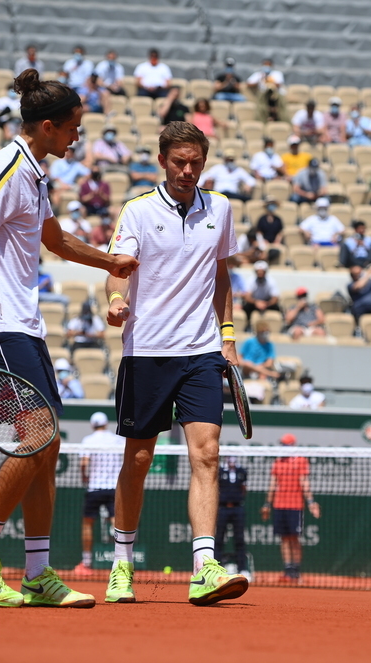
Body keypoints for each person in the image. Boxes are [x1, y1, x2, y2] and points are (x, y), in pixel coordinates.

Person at [0, 71, 138, 609]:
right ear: (47, 126)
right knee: (38, 437)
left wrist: (111, 261)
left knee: (48, 448)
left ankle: (37, 574)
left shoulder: (33, 173)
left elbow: (55, 240)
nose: (77, 137)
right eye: (73, 128)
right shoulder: (5, 166)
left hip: (24, 324)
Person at [103, 120, 248, 606]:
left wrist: (228, 336)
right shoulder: (138, 210)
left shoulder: (221, 207)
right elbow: (118, 270)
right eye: (180, 162)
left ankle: (204, 567)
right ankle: (122, 564)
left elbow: (220, 275)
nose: (188, 170)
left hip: (201, 351)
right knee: (139, 460)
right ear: (163, 160)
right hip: (147, 351)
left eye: (196, 163)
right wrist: (117, 300)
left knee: (207, 454)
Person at [261, 433, 320, 582]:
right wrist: (267, 504)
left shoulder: (301, 461)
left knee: (294, 539)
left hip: (295, 506)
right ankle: (287, 570)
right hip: (279, 505)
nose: (282, 447)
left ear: (292, 446)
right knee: (284, 539)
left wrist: (311, 502)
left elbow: (304, 483)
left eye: (285, 444)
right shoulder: (278, 462)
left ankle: (296, 571)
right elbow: (272, 484)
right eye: (282, 444)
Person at [74, 412, 125, 574]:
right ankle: (122, 561)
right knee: (117, 523)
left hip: (94, 488)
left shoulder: (88, 440)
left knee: (87, 524)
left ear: (92, 425)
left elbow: (84, 463)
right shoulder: (117, 439)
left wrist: (84, 477)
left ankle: (86, 562)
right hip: (114, 488)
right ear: (106, 424)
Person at [216, 456, 250, 580]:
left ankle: (243, 569)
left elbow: (244, 489)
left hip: (237, 508)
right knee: (219, 539)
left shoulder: (242, 472)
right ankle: (216, 569)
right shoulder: (220, 471)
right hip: (222, 508)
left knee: (239, 539)